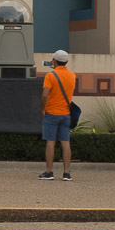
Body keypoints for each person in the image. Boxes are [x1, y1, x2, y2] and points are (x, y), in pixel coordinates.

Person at [39, 49, 76, 180]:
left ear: (54, 61)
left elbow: (45, 94)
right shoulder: (72, 75)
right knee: (65, 142)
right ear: (66, 61)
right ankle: (67, 173)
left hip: (52, 113)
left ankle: (49, 172)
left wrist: (42, 108)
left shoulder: (50, 76)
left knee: (50, 142)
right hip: (66, 113)